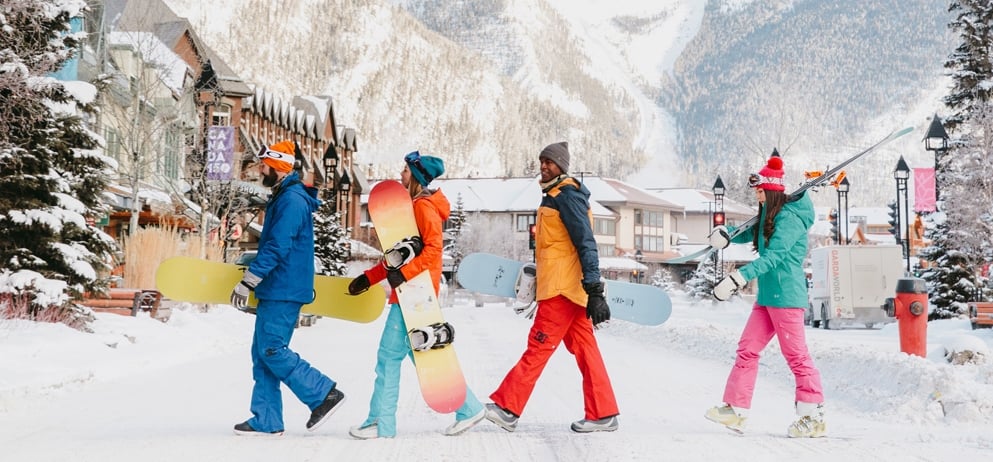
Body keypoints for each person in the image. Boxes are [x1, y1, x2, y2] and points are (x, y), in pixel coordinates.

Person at [345, 151, 485, 438]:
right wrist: (369, 278)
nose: (401, 175)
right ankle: (469, 408)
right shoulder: (415, 206)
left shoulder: (423, 207)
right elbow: (398, 256)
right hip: (412, 292)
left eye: (406, 171)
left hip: (414, 294)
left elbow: (434, 249)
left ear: (417, 177)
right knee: (424, 355)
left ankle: (380, 423)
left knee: (388, 357)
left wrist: (405, 275)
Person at [484, 141, 618, 433]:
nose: (544, 166)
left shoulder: (567, 197)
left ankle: (507, 408)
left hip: (562, 291)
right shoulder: (554, 195)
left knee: (538, 346)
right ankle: (603, 413)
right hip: (564, 288)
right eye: (542, 161)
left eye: (550, 162)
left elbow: (586, 244)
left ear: (562, 166)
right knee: (586, 350)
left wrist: (595, 290)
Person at [706, 150, 826, 438]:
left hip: (787, 297)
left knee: (796, 356)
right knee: (747, 349)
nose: (757, 197)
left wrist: (738, 277)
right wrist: (727, 234)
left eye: (760, 192)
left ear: (771, 192)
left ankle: (813, 416)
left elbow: (773, 257)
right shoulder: (769, 215)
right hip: (767, 297)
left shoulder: (790, 219)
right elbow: (751, 232)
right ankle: (736, 409)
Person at [229, 140, 345, 436]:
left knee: (272, 349)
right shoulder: (283, 196)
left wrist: (249, 280)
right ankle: (267, 419)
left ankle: (323, 393)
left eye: (264, 165)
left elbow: (278, 246)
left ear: (279, 167)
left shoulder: (292, 200)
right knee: (262, 353)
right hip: (276, 286)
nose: (260, 170)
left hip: (284, 287)